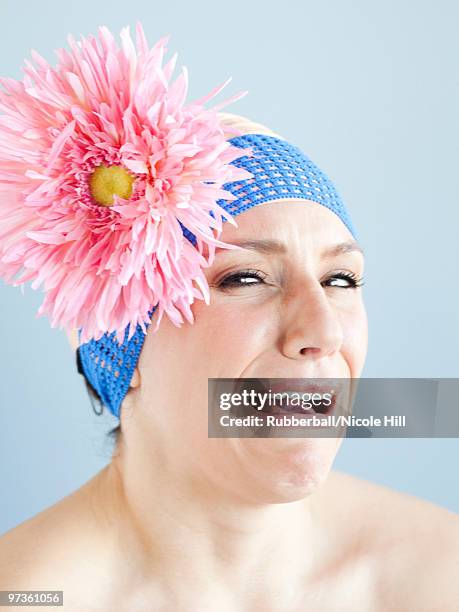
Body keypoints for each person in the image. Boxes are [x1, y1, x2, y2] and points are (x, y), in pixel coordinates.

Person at [0, 110, 458, 611]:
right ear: (117, 342)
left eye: (340, 280)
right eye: (244, 278)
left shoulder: (439, 574)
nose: (324, 332)